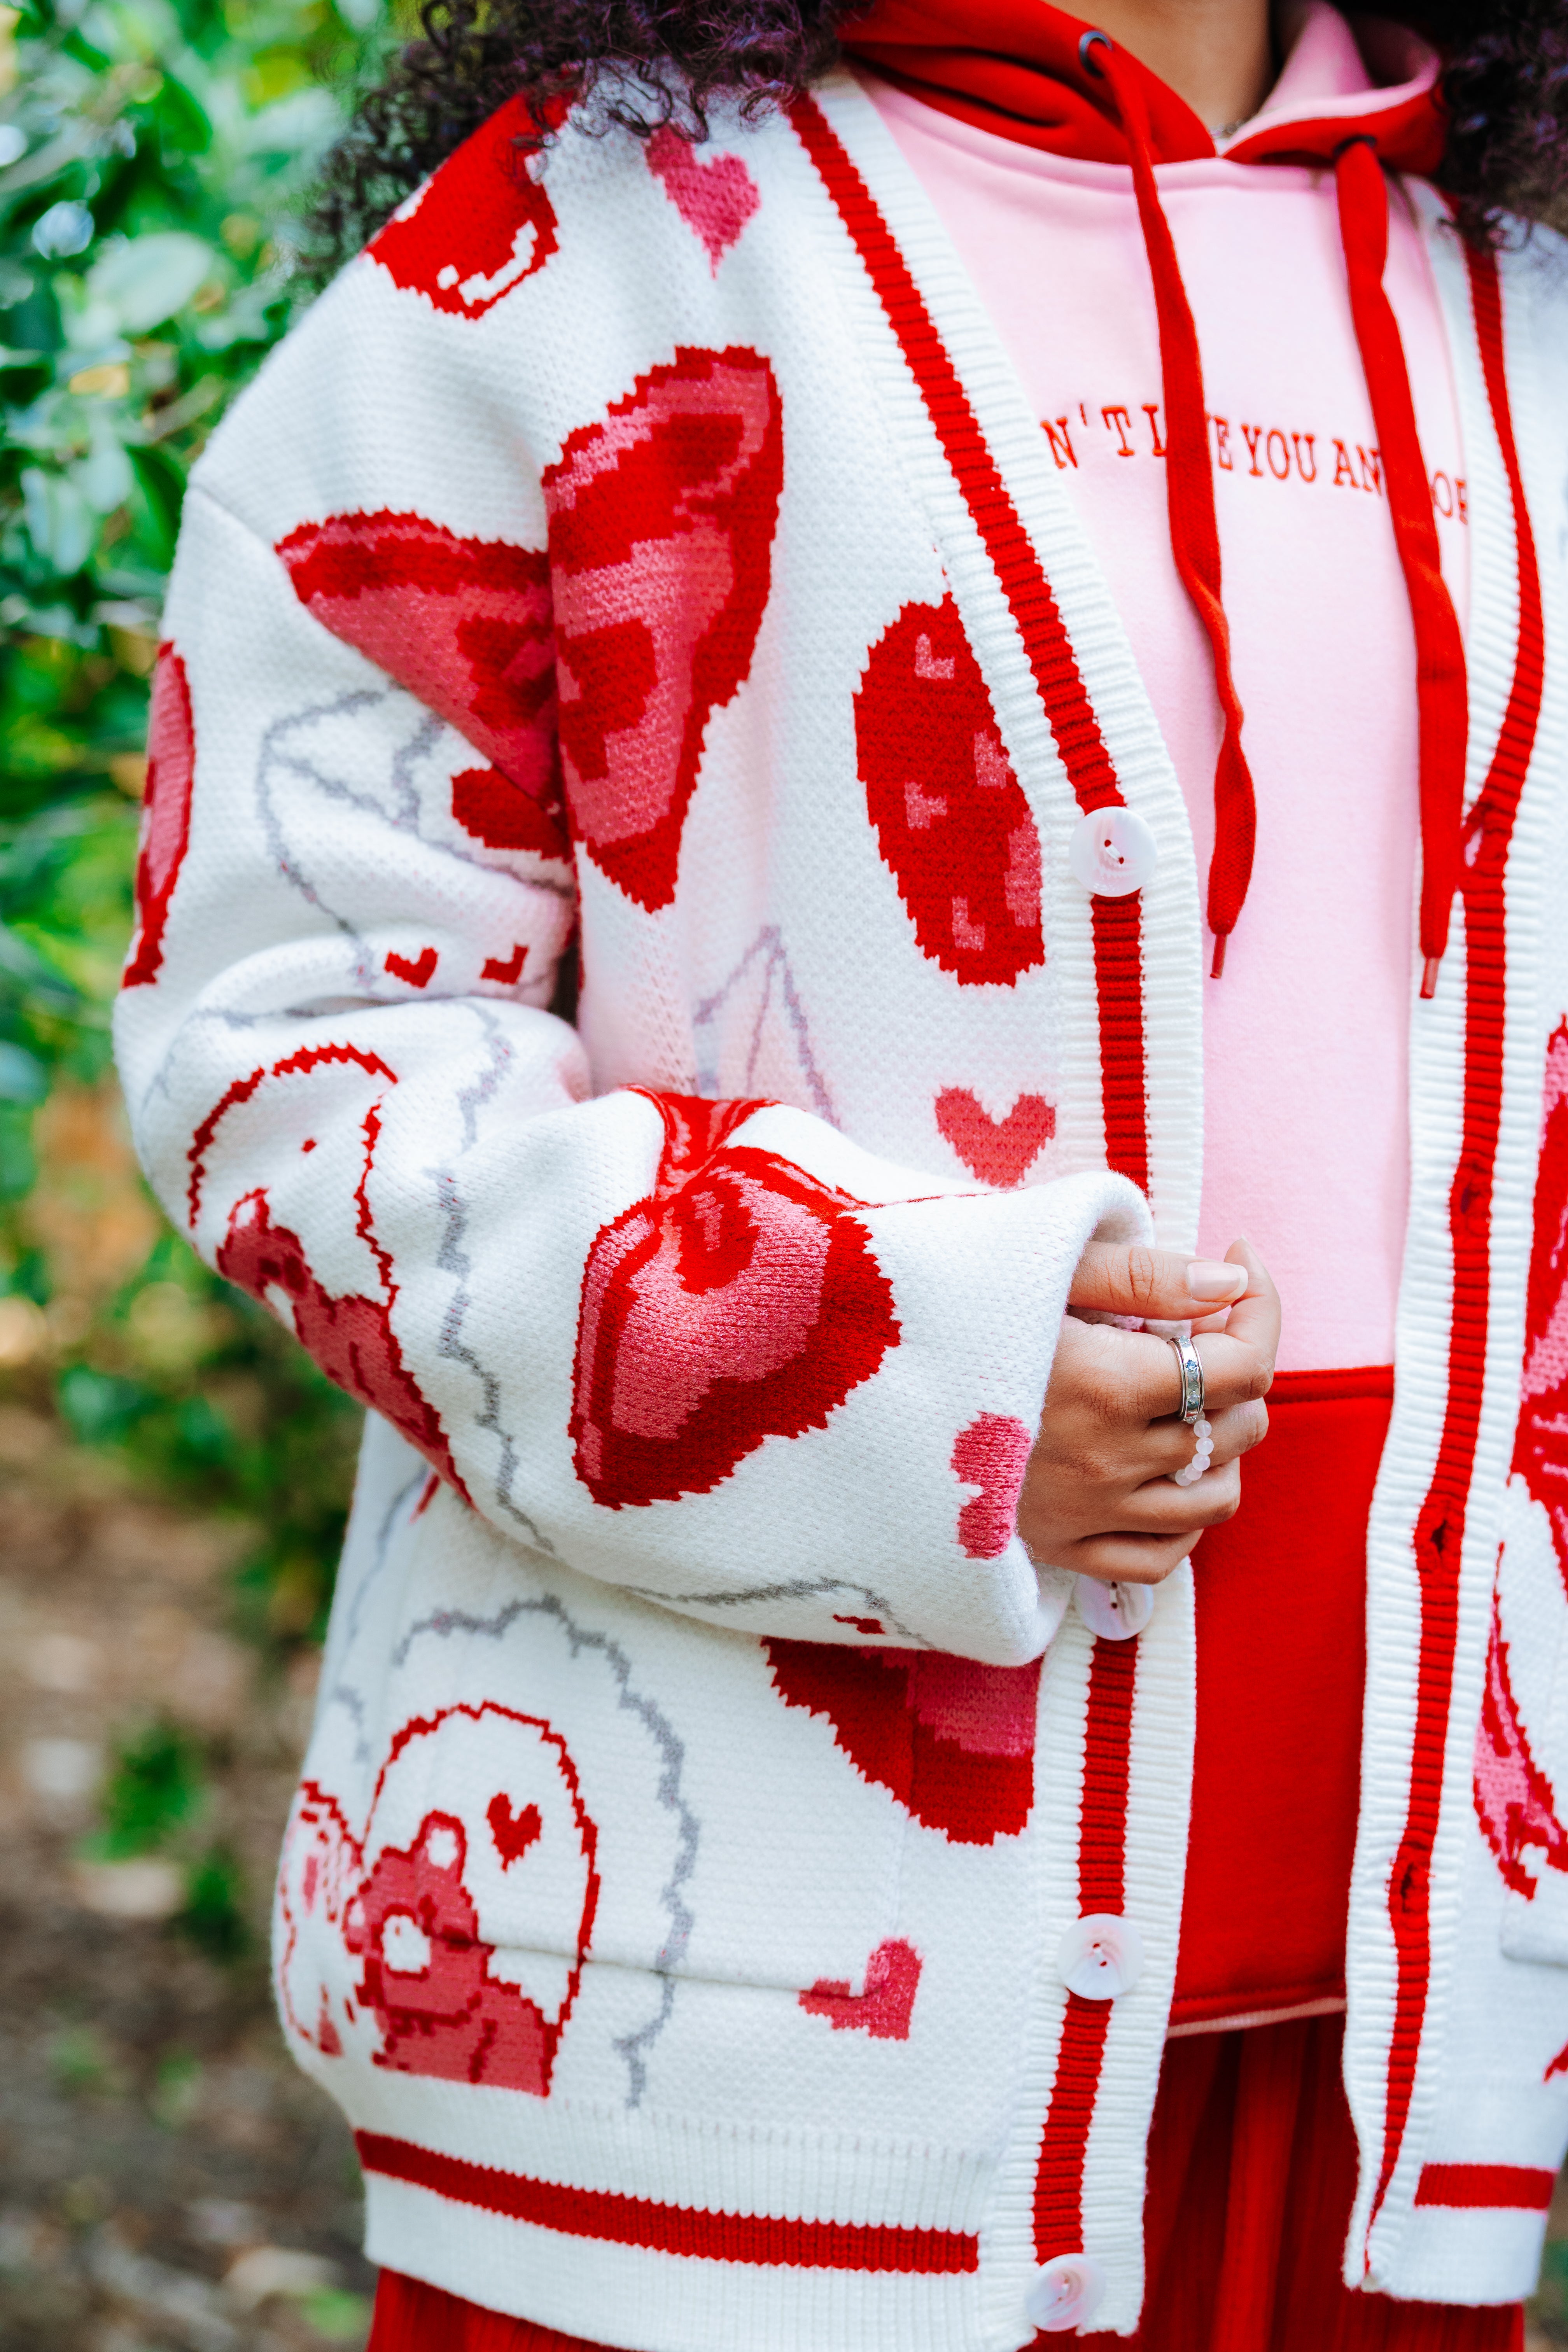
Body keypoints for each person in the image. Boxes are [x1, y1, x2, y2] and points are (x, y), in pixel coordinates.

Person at [112, 0, 1568, 2340]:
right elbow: (293, 1043)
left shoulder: (1525, 285)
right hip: (718, 2060)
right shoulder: (574, 243)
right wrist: (912, 1380)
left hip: (1397, 2056)